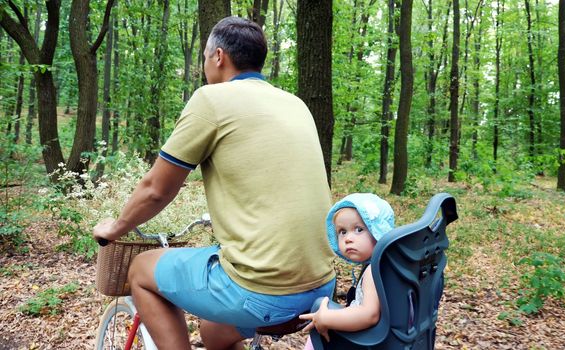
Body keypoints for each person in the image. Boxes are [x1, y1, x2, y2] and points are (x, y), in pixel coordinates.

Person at [93, 17, 336, 350]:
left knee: (139, 269)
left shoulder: (212, 99)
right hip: (321, 289)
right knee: (213, 332)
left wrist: (116, 228)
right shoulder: (295, 104)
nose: (204, 66)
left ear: (218, 57)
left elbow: (156, 189)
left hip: (261, 290)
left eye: (205, 58)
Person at [300, 193, 395, 348]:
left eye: (358, 229)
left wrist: (326, 318)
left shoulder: (374, 271)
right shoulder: (386, 265)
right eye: (342, 231)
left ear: (378, 231)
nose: (348, 238)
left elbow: (369, 315)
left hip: (368, 340)